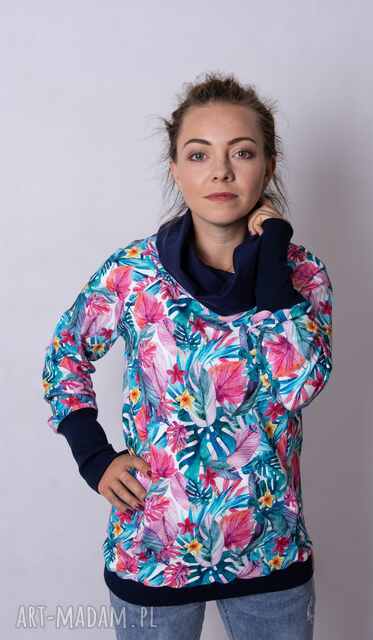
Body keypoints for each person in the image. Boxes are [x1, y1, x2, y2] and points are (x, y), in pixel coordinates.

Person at [41, 71, 333, 639]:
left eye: (242, 152)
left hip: (270, 555)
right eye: (199, 154)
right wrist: (93, 456)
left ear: (268, 166)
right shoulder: (134, 273)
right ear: (175, 168)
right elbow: (65, 354)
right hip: (153, 554)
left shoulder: (301, 272)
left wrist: (271, 259)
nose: (221, 171)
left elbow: (300, 385)